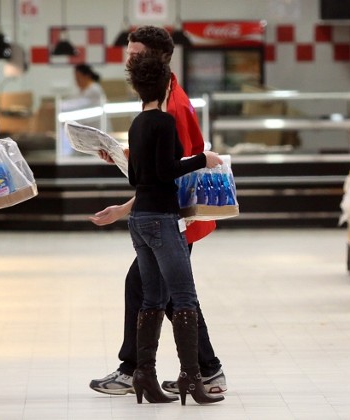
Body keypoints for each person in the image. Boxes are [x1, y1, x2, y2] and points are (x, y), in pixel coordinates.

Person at [89, 26, 226, 396]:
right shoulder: (157, 105)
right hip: (161, 214)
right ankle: (184, 370)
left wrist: (132, 205)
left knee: (159, 293)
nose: (128, 62)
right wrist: (125, 160)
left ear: (158, 59)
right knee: (164, 295)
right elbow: (157, 167)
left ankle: (146, 370)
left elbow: (177, 171)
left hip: (176, 218)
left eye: (135, 55)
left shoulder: (175, 107)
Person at [124, 49, 224, 405]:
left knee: (151, 297)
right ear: (167, 84)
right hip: (164, 220)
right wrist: (202, 159)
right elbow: (167, 171)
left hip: (138, 221)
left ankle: (144, 375)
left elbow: (136, 176)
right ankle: (191, 379)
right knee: (184, 297)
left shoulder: (136, 124)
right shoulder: (165, 122)